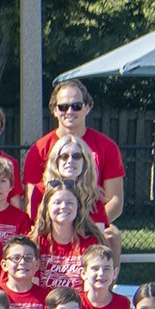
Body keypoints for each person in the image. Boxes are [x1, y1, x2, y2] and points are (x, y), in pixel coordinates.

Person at [21, 79, 125, 222]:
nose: (69, 112)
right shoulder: (39, 149)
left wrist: (88, 229)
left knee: (113, 235)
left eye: (76, 106)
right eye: (63, 107)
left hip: (92, 223)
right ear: (54, 111)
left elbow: (115, 201)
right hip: (52, 224)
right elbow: (30, 204)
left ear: (87, 108)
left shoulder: (107, 147)